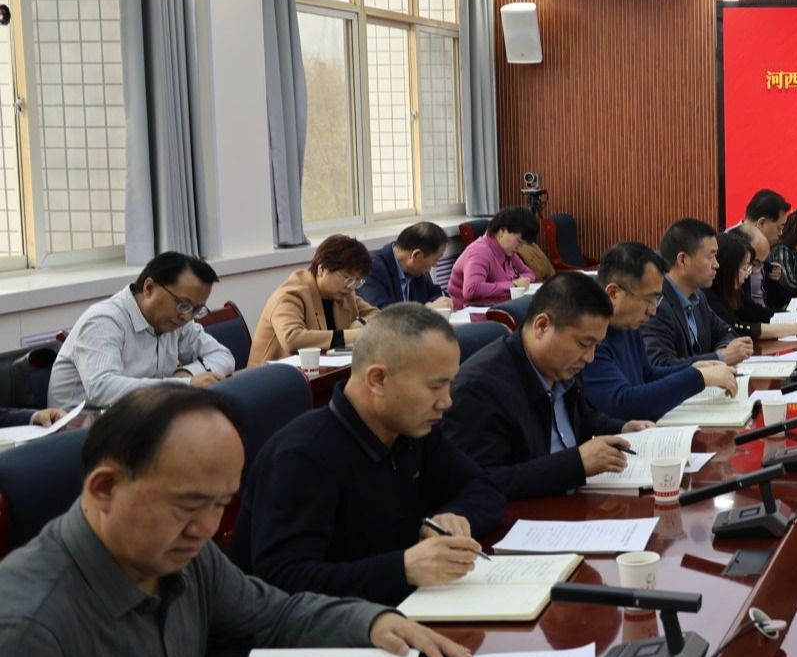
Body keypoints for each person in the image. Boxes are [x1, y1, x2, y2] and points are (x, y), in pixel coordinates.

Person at [0, 385, 466, 657]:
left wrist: (371, 621)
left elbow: (274, 616)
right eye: (189, 504)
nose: (206, 528)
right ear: (104, 489)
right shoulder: (28, 623)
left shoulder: (183, 555)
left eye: (221, 504)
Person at [230, 305, 506, 604]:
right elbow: (282, 580)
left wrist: (456, 515)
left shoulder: (414, 429)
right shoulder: (302, 457)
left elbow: (485, 487)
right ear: (377, 380)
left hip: (398, 605)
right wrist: (402, 569)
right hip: (319, 627)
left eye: (450, 383)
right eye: (435, 386)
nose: (446, 402)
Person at [442, 274, 647, 500]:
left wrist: (622, 427)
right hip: (530, 513)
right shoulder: (480, 389)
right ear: (542, 326)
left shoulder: (561, 366)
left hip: (574, 499)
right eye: (584, 344)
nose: (590, 357)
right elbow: (479, 483)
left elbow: (581, 417)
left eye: (596, 346)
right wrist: (574, 465)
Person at [49, 252, 235, 409]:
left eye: (196, 309)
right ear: (149, 288)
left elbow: (223, 356)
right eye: (183, 304)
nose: (187, 316)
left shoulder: (177, 320)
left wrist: (187, 374)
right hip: (80, 428)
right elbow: (102, 388)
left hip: (141, 417)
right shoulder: (104, 321)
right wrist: (183, 385)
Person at [583, 242, 737, 423]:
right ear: (613, 293)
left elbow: (647, 375)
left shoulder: (627, 324)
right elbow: (622, 403)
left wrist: (694, 368)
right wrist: (697, 378)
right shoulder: (588, 337)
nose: (653, 311)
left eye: (657, 299)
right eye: (649, 299)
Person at [248, 235, 381, 365]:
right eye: (348, 278)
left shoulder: (344, 294)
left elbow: (379, 316)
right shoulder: (291, 294)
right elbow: (291, 338)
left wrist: (361, 322)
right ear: (321, 269)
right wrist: (352, 335)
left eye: (357, 280)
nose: (351, 286)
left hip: (321, 371)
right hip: (272, 375)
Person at [645, 218, 752, 369]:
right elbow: (660, 364)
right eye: (711, 256)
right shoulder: (656, 304)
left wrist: (725, 352)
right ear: (683, 260)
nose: (717, 264)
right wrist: (720, 357)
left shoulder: (698, 296)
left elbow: (725, 331)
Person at [708, 230, 797, 342]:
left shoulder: (732, 291)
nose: (748, 274)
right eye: (744, 268)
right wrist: (794, 329)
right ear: (728, 268)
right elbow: (737, 328)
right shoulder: (708, 295)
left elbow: (758, 313)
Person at [447, 207, 539, 310]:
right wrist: (513, 285)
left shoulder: (508, 251)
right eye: (519, 242)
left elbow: (529, 274)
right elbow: (471, 289)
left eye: (523, 245)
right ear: (502, 231)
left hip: (497, 307)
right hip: (468, 313)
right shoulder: (480, 251)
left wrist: (523, 281)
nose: (519, 248)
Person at [360, 222, 454, 310]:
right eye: (436, 259)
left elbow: (436, 294)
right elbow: (381, 313)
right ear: (416, 255)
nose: (435, 265)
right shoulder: (371, 269)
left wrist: (442, 302)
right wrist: (426, 310)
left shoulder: (417, 270)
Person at [739, 189, 794, 314]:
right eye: (779, 227)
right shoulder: (734, 245)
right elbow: (743, 308)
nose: (781, 233)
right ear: (762, 223)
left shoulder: (762, 243)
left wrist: (771, 273)